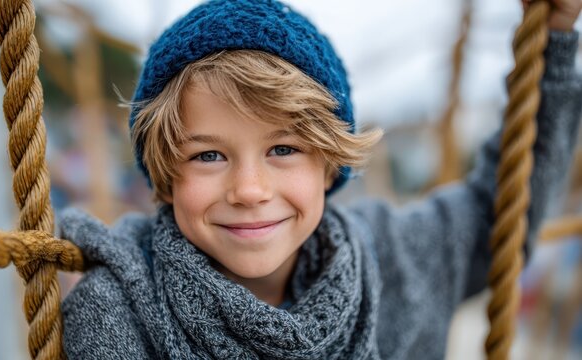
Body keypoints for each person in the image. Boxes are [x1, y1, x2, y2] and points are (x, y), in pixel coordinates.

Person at [58, 0, 582, 358]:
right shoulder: (117, 311)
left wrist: (553, 40)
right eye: (209, 156)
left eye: (283, 149)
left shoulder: (398, 257)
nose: (249, 189)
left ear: (330, 164)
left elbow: (501, 212)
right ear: (165, 174)